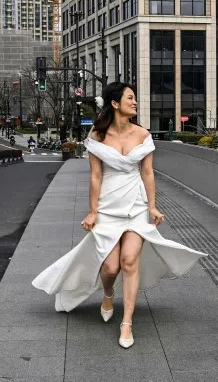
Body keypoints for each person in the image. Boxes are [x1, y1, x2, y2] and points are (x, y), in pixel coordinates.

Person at [32, 82, 205, 348]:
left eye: (135, 98)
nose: (135, 102)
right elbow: (95, 175)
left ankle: (127, 322)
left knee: (129, 261)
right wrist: (92, 212)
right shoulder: (98, 136)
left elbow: (147, 173)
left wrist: (152, 206)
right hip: (107, 206)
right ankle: (109, 293)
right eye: (130, 98)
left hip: (135, 204)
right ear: (115, 104)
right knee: (111, 267)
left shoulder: (142, 134)